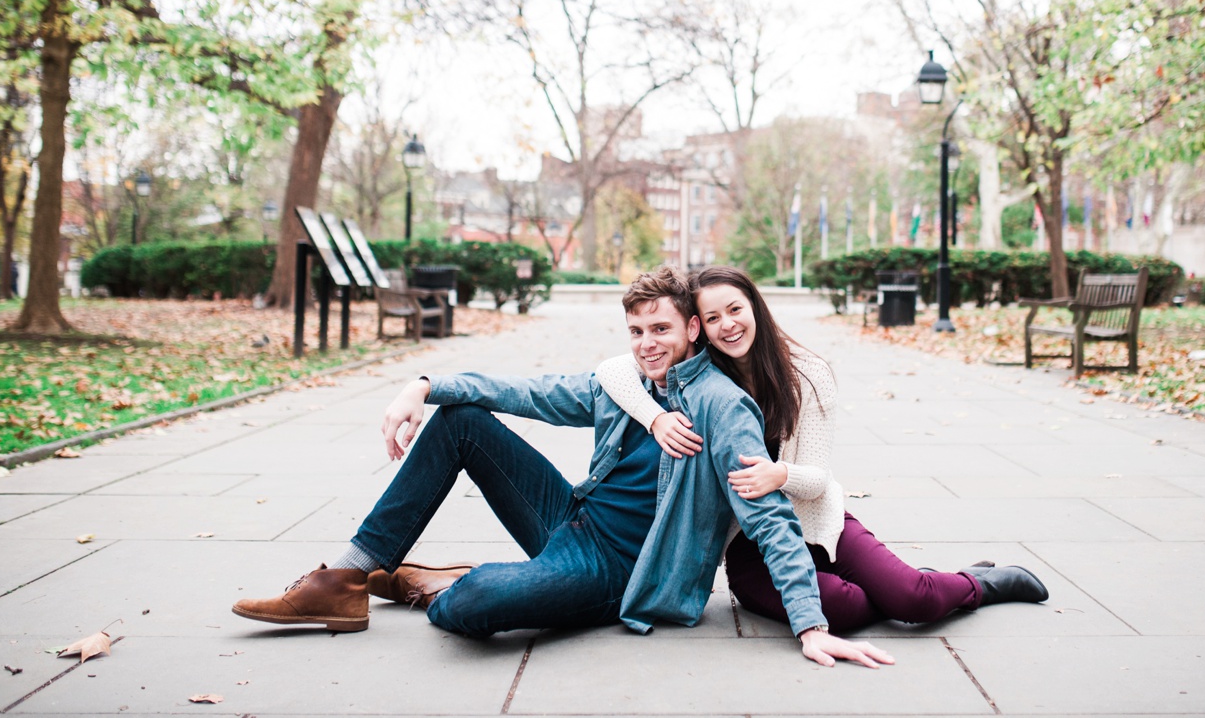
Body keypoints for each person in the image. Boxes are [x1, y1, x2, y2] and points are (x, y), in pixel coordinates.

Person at [232, 267, 893, 668]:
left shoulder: (725, 409)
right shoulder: (621, 384)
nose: (647, 345)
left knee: (474, 605)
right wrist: (424, 384)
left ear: (693, 330)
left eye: (660, 330)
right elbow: (527, 393)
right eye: (635, 332)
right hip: (569, 519)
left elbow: (770, 517)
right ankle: (345, 579)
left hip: (620, 568)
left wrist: (810, 626)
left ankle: (436, 583)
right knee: (463, 420)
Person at [595, 265, 1048, 634]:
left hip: (818, 521)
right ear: (698, 328)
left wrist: (779, 475)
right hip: (754, 547)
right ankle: (910, 585)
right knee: (844, 611)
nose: (727, 325)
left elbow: (817, 480)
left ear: (755, 306)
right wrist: (655, 417)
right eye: (713, 319)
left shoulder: (806, 375)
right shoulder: (701, 376)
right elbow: (612, 370)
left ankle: (979, 584)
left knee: (914, 602)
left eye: (735, 309)